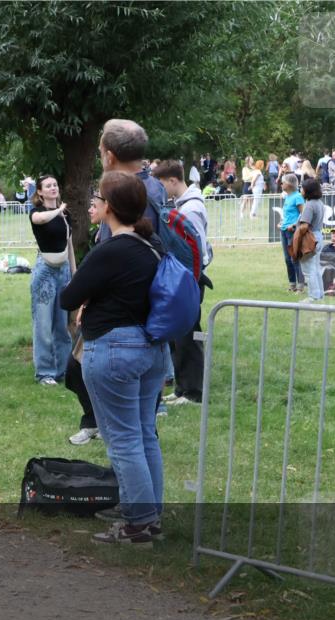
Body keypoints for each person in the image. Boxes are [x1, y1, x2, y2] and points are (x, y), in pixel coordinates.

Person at [60, 171, 165, 546]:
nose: (92, 204)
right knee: (144, 434)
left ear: (110, 208)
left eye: (96, 198)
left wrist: (90, 298)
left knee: (123, 439)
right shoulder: (150, 245)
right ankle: (151, 517)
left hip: (115, 349)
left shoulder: (110, 250)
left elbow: (68, 298)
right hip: (152, 349)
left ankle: (137, 523)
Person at [152, 160, 211, 406]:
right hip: (184, 279)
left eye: (161, 184)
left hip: (189, 280)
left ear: (173, 181)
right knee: (178, 335)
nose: (159, 190)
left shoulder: (191, 209)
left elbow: (196, 249)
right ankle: (182, 388)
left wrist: (188, 281)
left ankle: (194, 392)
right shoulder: (183, 205)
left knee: (189, 335)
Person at [65, 194, 103, 446]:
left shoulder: (114, 240)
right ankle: (94, 421)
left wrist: (82, 300)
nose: (89, 209)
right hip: (94, 316)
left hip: (107, 324)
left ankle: (97, 422)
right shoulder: (102, 234)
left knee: (78, 372)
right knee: (74, 372)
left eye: (95, 204)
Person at [28, 174, 73, 386]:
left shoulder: (65, 215)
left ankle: (63, 370)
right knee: (43, 325)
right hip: (45, 271)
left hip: (63, 271)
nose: (53, 188)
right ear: (40, 192)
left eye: (55, 184)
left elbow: (69, 244)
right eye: (48, 186)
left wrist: (73, 273)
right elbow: (41, 220)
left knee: (62, 326)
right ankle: (45, 372)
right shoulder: (37, 212)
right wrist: (58, 209)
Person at [297, 178, 327, 302]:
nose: (301, 190)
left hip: (310, 238)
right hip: (318, 236)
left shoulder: (309, 205)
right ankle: (319, 294)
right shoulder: (319, 202)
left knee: (308, 270)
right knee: (315, 268)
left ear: (307, 190)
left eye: (302, 188)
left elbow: (304, 226)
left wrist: (296, 233)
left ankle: (313, 296)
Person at [279, 173, 305, 292]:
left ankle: (300, 285)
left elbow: (303, 214)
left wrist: (294, 225)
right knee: (287, 258)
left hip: (292, 231)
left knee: (295, 258)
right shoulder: (287, 197)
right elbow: (288, 215)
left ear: (289, 184)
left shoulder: (297, 196)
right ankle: (292, 284)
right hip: (284, 230)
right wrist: (282, 223)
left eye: (283, 182)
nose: (281, 184)